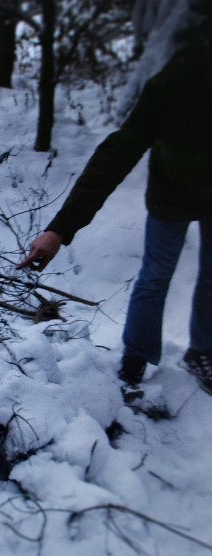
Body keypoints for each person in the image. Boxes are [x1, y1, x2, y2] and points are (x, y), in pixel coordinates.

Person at [16, 38, 212, 399]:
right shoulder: (174, 85)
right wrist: (61, 228)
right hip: (172, 196)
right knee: (155, 275)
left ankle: (203, 351)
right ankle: (136, 356)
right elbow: (116, 154)